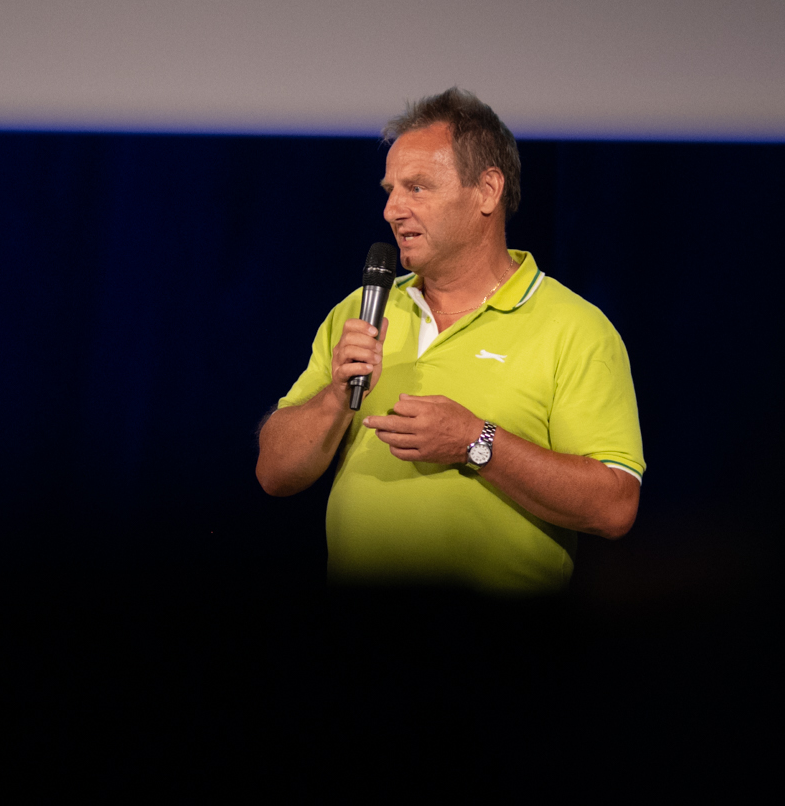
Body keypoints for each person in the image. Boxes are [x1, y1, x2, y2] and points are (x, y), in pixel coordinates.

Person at [255, 88, 644, 591]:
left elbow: (614, 507)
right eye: (390, 190)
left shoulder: (574, 327)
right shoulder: (360, 310)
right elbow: (273, 473)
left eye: (416, 188)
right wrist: (333, 398)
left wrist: (475, 442)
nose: (391, 210)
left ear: (487, 190)